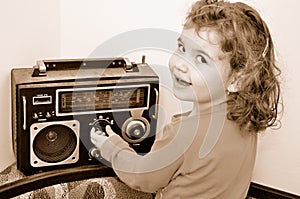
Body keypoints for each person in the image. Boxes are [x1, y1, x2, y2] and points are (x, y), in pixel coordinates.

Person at [91, 0, 281, 198]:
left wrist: (112, 147)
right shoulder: (247, 119)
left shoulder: (184, 133)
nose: (181, 64)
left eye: (201, 59)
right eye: (182, 48)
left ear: (237, 79)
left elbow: (143, 177)